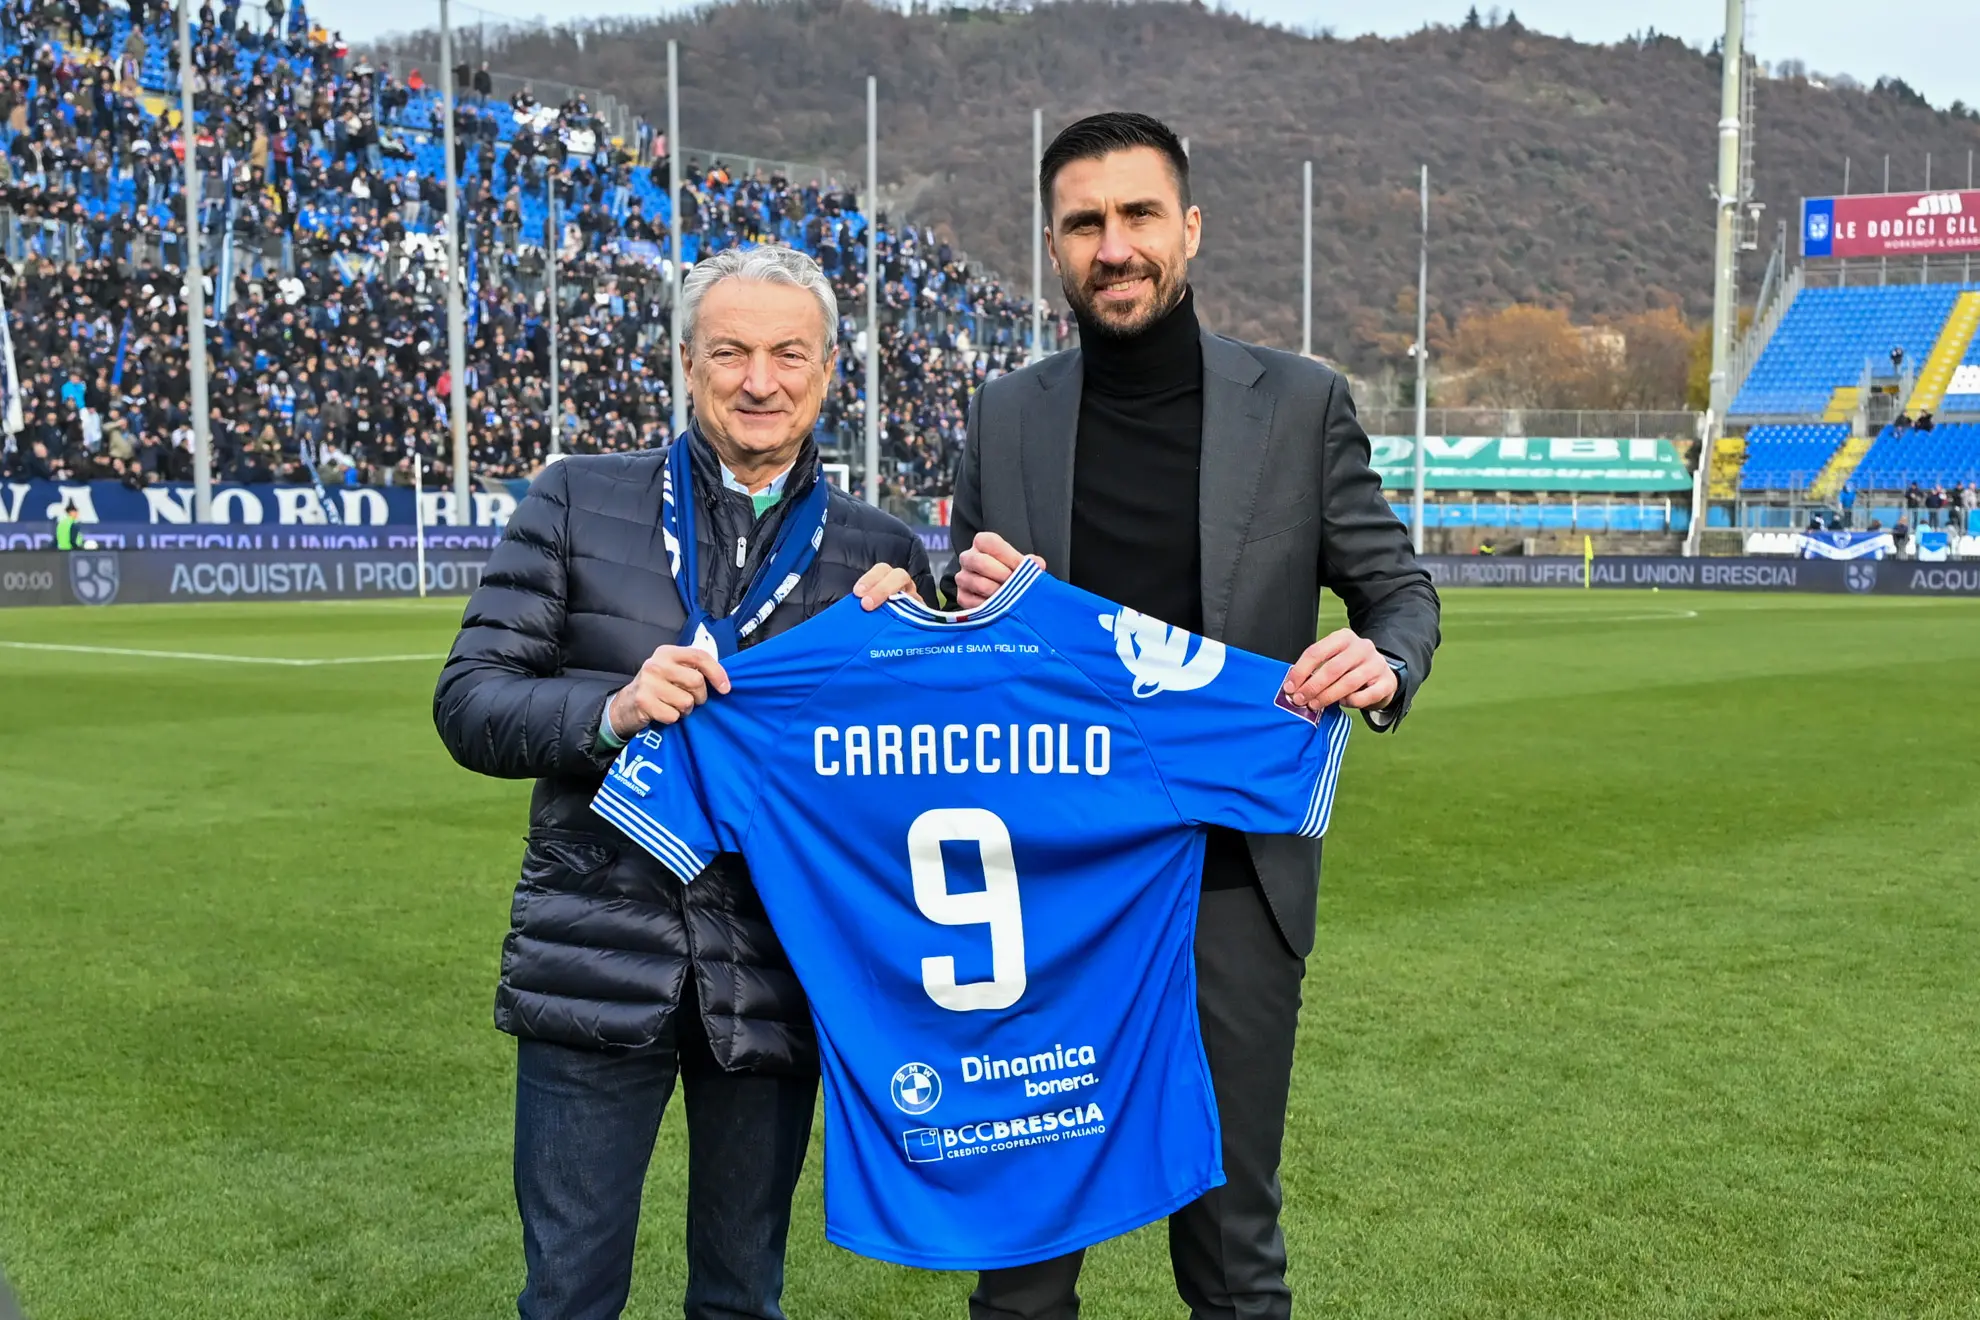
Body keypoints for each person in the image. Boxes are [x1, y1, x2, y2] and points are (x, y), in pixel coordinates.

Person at [940, 112, 1441, 1320]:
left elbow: (1399, 591)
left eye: (1138, 216)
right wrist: (929, 599)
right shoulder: (1006, 415)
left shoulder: (1303, 403)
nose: (1114, 246)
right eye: (1085, 223)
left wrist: (1383, 661)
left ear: (1189, 228)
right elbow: (965, 640)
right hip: (1044, 887)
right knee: (1021, 1255)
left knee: (1229, 1247)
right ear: (1055, 247)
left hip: (1229, 884)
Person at [433, 245, 934, 1320]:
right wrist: (610, 711)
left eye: (788, 354)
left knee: (742, 1295)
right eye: (732, 353)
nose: (761, 380)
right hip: (594, 960)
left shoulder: (879, 555)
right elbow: (470, 703)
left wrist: (915, 647)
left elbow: (911, 787)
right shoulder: (577, 499)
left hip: (774, 971)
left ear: (829, 369)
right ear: (686, 362)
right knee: (568, 1292)